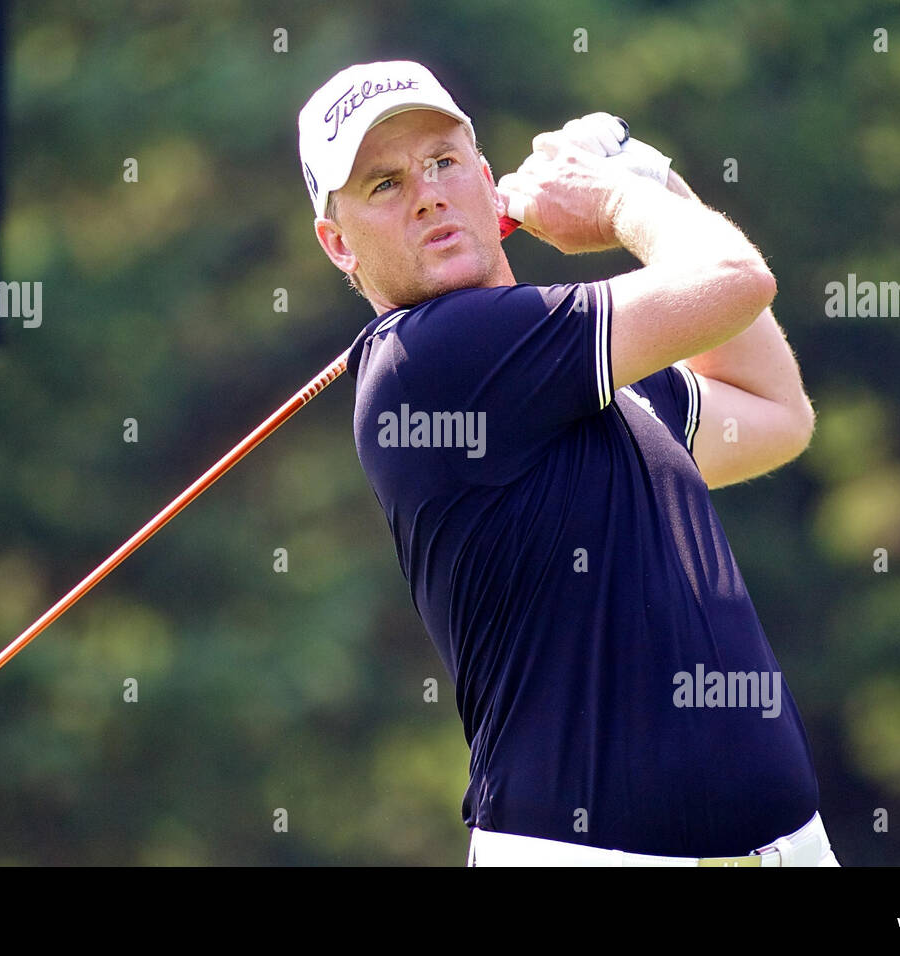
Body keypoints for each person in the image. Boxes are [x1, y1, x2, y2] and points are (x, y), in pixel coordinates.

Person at [298, 60, 839, 866]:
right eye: (383, 184)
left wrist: (649, 175)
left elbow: (776, 413)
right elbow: (737, 278)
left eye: (444, 162)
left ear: (487, 181)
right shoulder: (432, 358)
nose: (428, 193)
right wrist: (621, 200)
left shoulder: (564, 368)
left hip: (783, 846)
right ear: (339, 243)